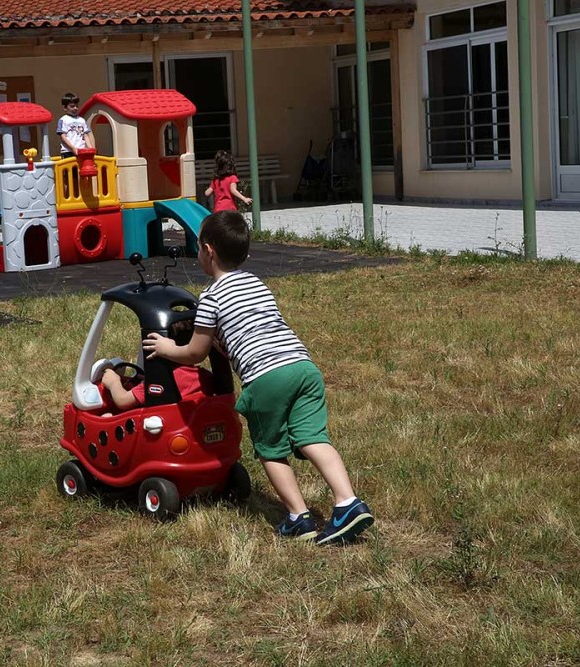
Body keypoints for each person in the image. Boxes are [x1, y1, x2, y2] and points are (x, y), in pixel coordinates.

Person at [142, 210, 374, 545]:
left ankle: (298, 517)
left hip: (266, 378)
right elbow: (252, 329)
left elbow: (195, 352)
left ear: (208, 251)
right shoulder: (256, 283)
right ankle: (347, 502)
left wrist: (165, 347)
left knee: (270, 449)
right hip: (302, 367)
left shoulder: (209, 298)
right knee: (313, 438)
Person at [101, 317, 213, 411]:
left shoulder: (160, 380)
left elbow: (122, 401)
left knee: (107, 416)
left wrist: (114, 382)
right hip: (192, 422)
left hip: (162, 426)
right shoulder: (204, 376)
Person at [57, 92, 94, 158]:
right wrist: (73, 148)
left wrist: (90, 148)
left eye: (77, 106)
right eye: (72, 106)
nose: (75, 108)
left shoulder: (82, 120)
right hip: (68, 151)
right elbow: (63, 137)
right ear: (65, 108)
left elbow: (85, 135)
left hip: (81, 150)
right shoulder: (63, 120)